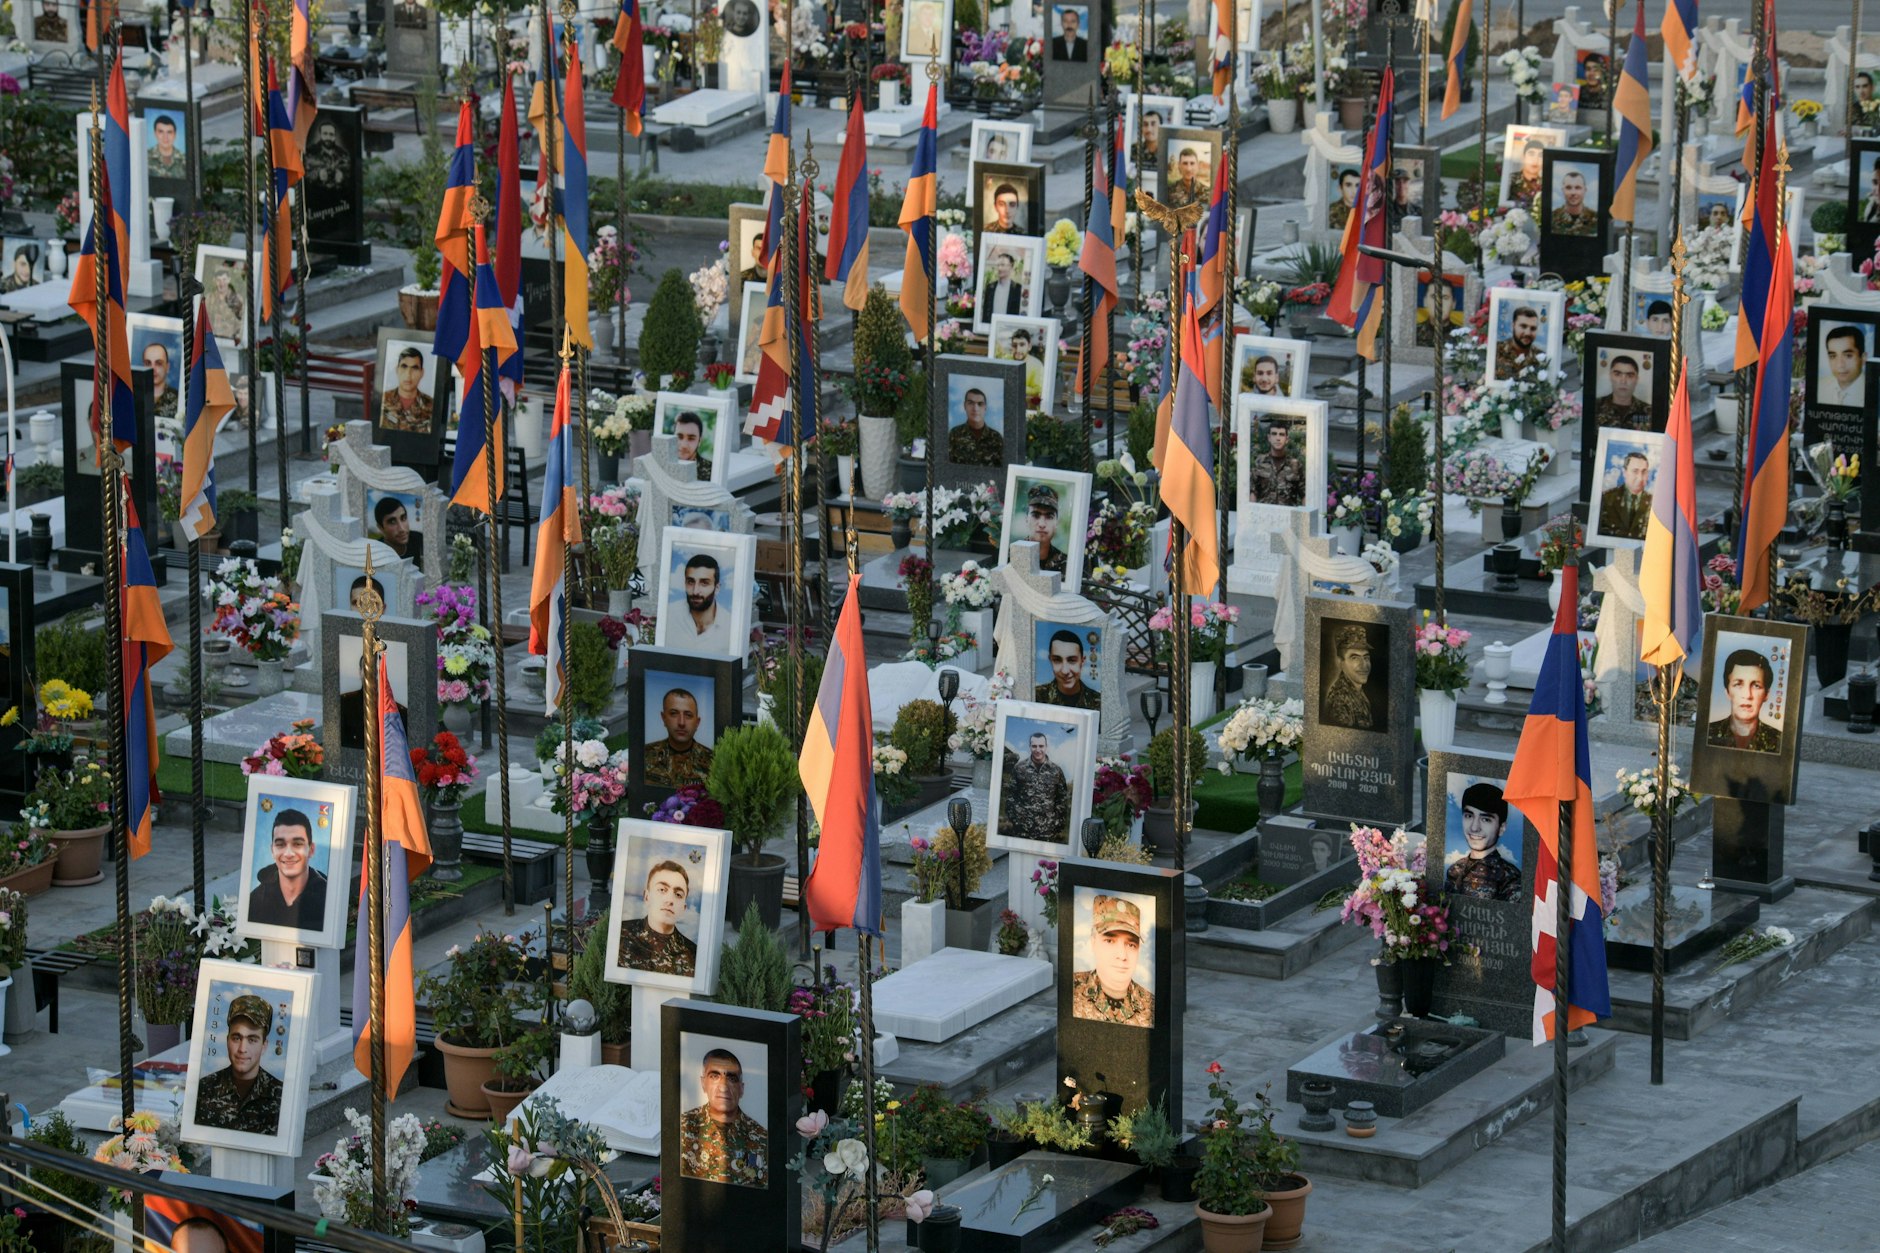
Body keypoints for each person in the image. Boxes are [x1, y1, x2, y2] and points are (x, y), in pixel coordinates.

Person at [193, 994, 285, 1136]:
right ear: (227, 1040)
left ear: (264, 1046)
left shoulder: (281, 1095)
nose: (242, 1049)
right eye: (236, 1038)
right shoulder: (203, 1089)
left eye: (252, 1039)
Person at [679, 1048, 769, 1186]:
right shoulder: (682, 1127)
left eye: (732, 1079)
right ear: (703, 1083)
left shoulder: (762, 1137)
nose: (723, 1087)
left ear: (741, 1089)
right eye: (715, 1076)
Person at [1069, 894, 1154, 1026]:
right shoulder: (1071, 990)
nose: (1122, 955)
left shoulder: (1152, 1005)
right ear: (1093, 942)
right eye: (1109, 941)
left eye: (1131, 945)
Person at [246, 807, 329, 929]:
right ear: (272, 850)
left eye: (297, 844)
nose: (288, 853)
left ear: (311, 850)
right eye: (280, 844)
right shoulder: (255, 900)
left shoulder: (328, 898)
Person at [616, 859, 699, 976]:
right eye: (662, 890)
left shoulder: (694, 955)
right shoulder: (619, 934)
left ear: (683, 908)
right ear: (647, 897)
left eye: (678, 895)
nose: (670, 900)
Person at [1445, 782, 1523, 901]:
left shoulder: (1509, 878)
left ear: (1501, 828)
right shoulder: (1455, 869)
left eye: (1486, 819)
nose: (1474, 828)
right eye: (1469, 816)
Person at [1002, 729, 1071, 843]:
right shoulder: (1019, 768)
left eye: (1041, 746)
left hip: (1048, 833)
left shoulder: (1056, 771)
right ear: (1030, 746)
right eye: (1034, 746)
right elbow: (1011, 797)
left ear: (1046, 747)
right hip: (1022, 832)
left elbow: (1062, 801)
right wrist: (1017, 820)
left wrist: (1056, 824)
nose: (1038, 750)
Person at [1706, 649, 1782, 753]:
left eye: (1756, 686)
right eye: (1738, 684)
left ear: (1766, 695)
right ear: (1727, 691)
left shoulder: (1779, 740)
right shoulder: (1707, 733)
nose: (1747, 695)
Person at [643, 686, 714, 789]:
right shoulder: (644, 755)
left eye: (688, 715)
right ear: (664, 718)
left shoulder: (713, 762)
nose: (681, 722)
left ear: (697, 723)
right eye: (674, 714)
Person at [670, 553, 737, 653]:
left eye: (704, 583)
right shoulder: (669, 615)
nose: (695, 591)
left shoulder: (731, 627)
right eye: (690, 582)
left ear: (717, 588)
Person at [1320, 624, 1375, 731]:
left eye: (1366, 657)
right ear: (1340, 662)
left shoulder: (1357, 690)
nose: (1364, 665)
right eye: (1355, 658)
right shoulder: (1340, 701)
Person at [1035, 629, 1100, 710]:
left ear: (1082, 661)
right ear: (1050, 660)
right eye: (1057, 660)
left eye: (1072, 660)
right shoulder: (1036, 696)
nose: (1065, 671)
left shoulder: (1098, 702)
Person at [1597, 450, 1653, 540]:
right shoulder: (1607, 499)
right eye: (1635, 471)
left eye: (1644, 472)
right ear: (1625, 472)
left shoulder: (1654, 503)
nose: (1640, 477)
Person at [1250, 417, 1305, 506]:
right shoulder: (1259, 462)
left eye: (1281, 434)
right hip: (1264, 515)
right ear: (1269, 438)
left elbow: (1304, 494)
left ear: (1287, 439)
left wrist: (1304, 518)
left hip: (1288, 516)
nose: (1278, 438)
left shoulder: (1295, 465)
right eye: (1274, 434)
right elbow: (1253, 491)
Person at [379, 346, 433, 432]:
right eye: (404, 366)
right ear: (397, 370)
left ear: (422, 373)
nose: (408, 374)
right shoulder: (382, 399)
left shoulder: (431, 406)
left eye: (415, 368)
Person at [949, 385, 1005, 466]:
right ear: (965, 406)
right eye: (971, 403)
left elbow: (1003, 470)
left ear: (985, 407)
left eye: (980, 404)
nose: (975, 408)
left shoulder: (996, 438)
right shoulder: (954, 434)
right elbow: (947, 468)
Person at [1595, 354, 1652, 428]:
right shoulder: (1595, 406)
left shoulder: (1649, 411)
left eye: (1629, 375)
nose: (1623, 381)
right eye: (1617, 374)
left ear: (1637, 379)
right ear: (1610, 376)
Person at [1022, 482, 1068, 574]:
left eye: (1049, 517)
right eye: (1035, 515)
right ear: (1027, 519)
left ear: (1057, 522)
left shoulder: (1066, 564)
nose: (1042, 524)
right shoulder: (1011, 556)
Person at [1821, 326, 1868, 407]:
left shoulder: (1873, 392)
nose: (1840, 365)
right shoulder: (1820, 387)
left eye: (1848, 356)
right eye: (1833, 356)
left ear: (1863, 358)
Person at [1495, 305, 1543, 377]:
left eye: (1533, 328)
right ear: (1513, 326)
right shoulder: (1496, 350)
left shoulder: (1541, 357)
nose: (1528, 333)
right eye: (1523, 326)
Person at [1004, 327, 1046, 405]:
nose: (1018, 349)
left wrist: (1016, 387)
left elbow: (1038, 390)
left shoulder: (1036, 364)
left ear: (1029, 346)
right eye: (1014, 345)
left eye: (1022, 345)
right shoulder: (1005, 360)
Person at [374, 496, 423, 562]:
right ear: (381, 528)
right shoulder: (375, 553)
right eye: (392, 522)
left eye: (403, 518)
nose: (401, 529)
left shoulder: (419, 540)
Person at [1550, 168, 1598, 235]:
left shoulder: (1596, 219)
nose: (1573, 192)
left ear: (1585, 190)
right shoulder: (1551, 218)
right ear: (1563, 190)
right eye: (1568, 188)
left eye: (1578, 187)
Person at [1164, 146, 1211, 212]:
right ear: (1179, 166)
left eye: (1192, 163)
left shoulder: (1208, 193)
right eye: (1185, 163)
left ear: (1197, 166)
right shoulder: (1169, 191)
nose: (1189, 169)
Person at [980, 250, 1024, 317]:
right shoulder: (990, 287)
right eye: (998, 265)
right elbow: (986, 312)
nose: (1000, 268)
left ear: (1011, 266)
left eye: (1003, 265)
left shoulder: (1018, 289)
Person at [207, 265, 245, 342]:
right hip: (212, 341)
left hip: (231, 342)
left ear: (229, 280)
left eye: (224, 279)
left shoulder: (237, 300)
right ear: (215, 281)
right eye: (218, 280)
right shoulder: (208, 299)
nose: (222, 283)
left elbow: (242, 323)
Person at [673, 411, 714, 480]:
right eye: (679, 437)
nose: (684, 445)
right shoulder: (662, 465)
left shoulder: (712, 470)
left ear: (699, 441)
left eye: (691, 438)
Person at [142, 341, 177, 419]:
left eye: (158, 363)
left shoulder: (178, 400)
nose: (153, 369)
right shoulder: (133, 397)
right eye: (148, 363)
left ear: (167, 367)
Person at [1417, 277, 1455, 348]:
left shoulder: (1462, 336)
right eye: (1434, 297)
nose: (1439, 303)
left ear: (1453, 304)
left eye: (1445, 298)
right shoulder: (1413, 333)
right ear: (1425, 301)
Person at [148, 114, 185, 179]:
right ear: (155, 134)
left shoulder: (185, 159)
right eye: (161, 132)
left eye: (169, 132)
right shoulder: (145, 157)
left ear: (175, 135)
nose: (165, 137)